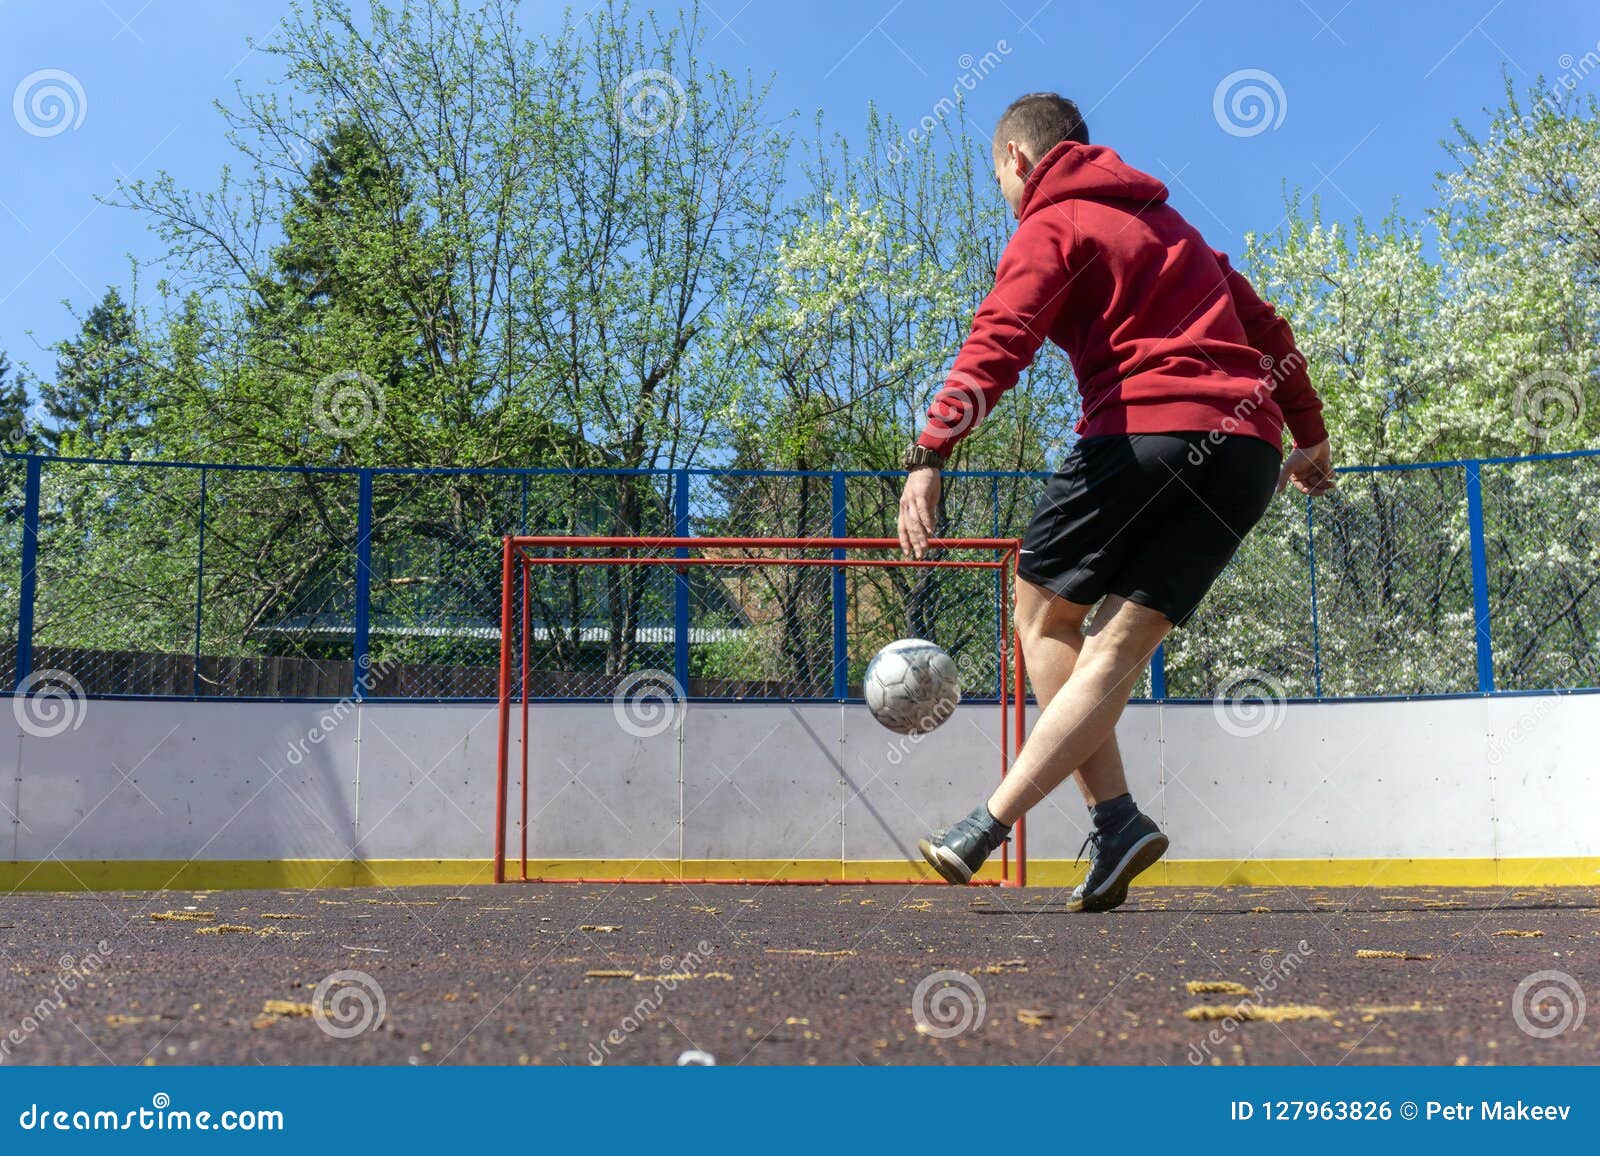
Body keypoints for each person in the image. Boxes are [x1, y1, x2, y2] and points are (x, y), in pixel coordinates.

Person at [899, 93, 1336, 910]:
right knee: (1116, 646)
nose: (1002, 189)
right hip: (1245, 448)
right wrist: (1309, 434)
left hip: (1143, 433)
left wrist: (932, 452)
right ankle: (1119, 825)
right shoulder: (1176, 229)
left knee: (1043, 616)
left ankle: (991, 825)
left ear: (1020, 162)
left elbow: (1001, 339)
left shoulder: (1050, 222)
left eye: (998, 173)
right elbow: (1268, 330)